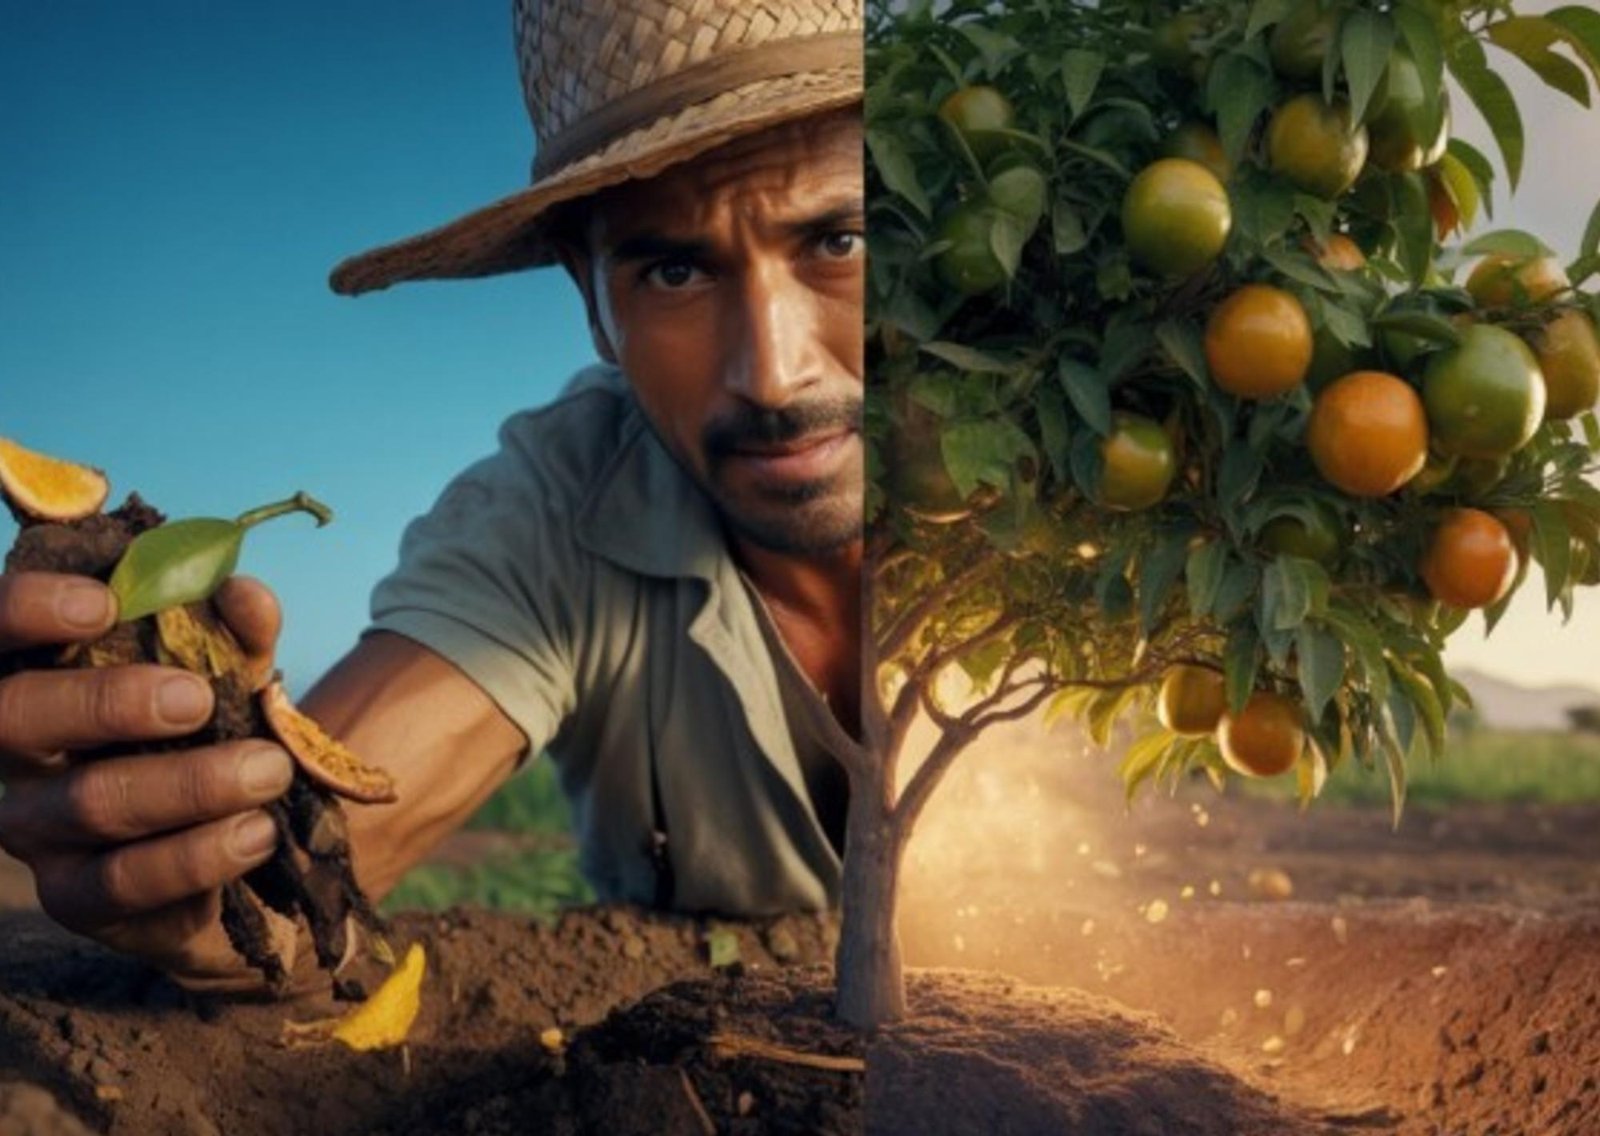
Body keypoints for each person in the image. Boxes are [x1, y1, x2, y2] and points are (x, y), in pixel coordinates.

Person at [0, 0, 864, 992]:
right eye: (673, 269)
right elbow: (289, 888)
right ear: (589, 295)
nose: (773, 374)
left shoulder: (1051, 474)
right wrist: (190, 865)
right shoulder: (555, 509)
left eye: (839, 242)